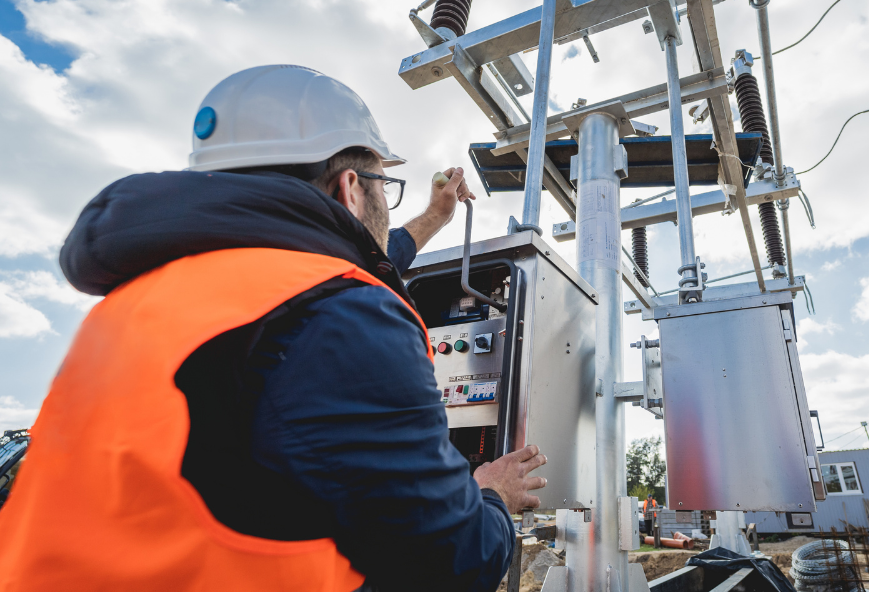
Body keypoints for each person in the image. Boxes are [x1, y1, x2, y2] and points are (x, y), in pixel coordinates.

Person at [0, 66, 548, 591]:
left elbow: (352, 253)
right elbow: (446, 562)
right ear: (350, 187)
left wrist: (434, 217)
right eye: (386, 184)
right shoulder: (343, 313)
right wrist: (489, 496)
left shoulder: (142, 298)